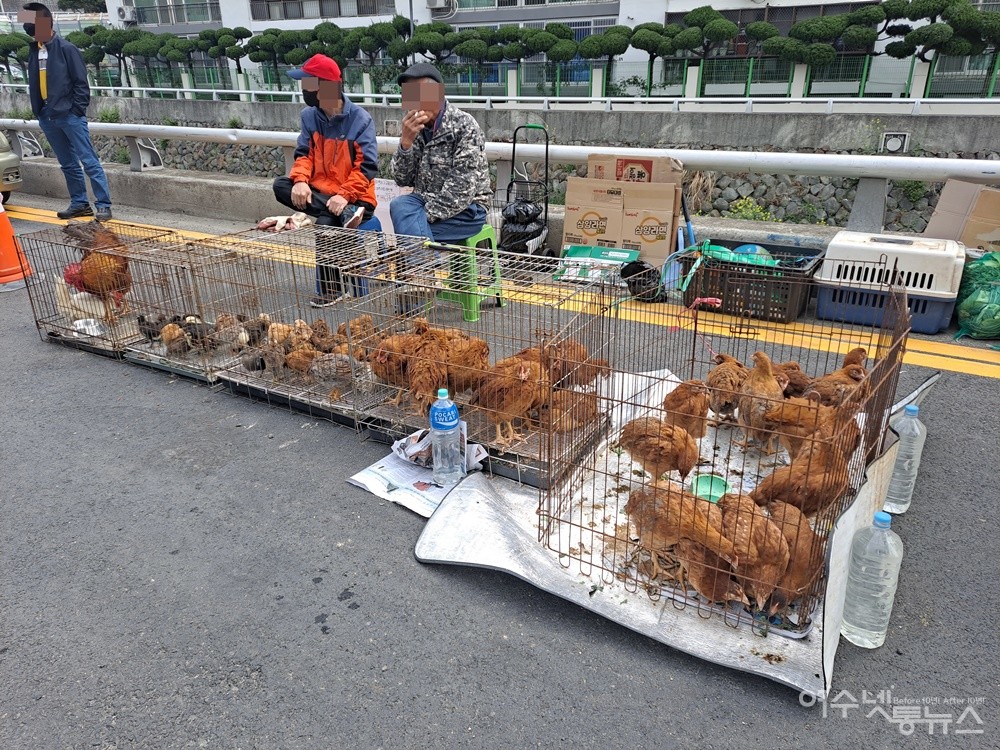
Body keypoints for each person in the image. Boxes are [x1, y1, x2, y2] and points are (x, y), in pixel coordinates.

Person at [272, 53, 378, 307]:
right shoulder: (309, 116)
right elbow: (303, 154)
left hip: (357, 197)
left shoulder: (361, 120)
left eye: (308, 83)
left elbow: (367, 167)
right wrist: (299, 180)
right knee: (280, 185)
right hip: (322, 194)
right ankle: (343, 214)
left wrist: (345, 195)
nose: (304, 89)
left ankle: (331, 291)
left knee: (325, 222)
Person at [21, 2, 112, 221]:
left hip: (69, 115)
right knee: (68, 164)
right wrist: (39, 111)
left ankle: (103, 205)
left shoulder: (67, 49)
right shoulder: (34, 51)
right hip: (47, 115)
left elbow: (81, 84)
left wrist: (76, 110)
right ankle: (80, 203)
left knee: (88, 160)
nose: (31, 32)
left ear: (46, 24)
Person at [389, 63, 492, 243]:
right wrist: (405, 143)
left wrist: (419, 217)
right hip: (423, 202)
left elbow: (460, 192)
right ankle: (424, 266)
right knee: (399, 205)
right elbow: (401, 179)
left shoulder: (465, 126)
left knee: (407, 232)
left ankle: (419, 268)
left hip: (467, 210)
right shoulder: (414, 129)